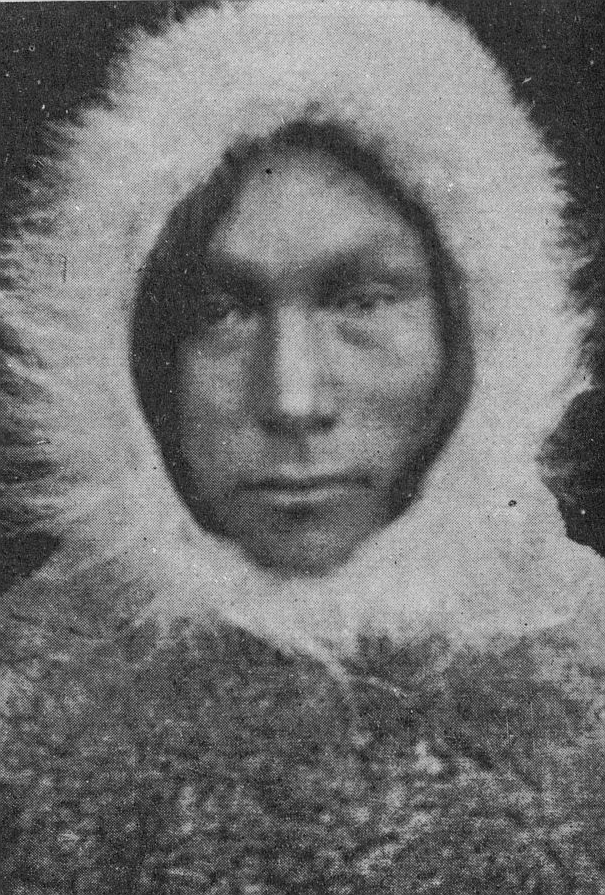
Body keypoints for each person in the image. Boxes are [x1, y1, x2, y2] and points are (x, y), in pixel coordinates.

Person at [1, 2, 604, 892]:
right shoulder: (20, 710)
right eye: (220, 311)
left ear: (474, 323)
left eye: (361, 301)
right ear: (131, 350)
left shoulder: (588, 673)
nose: (291, 399)